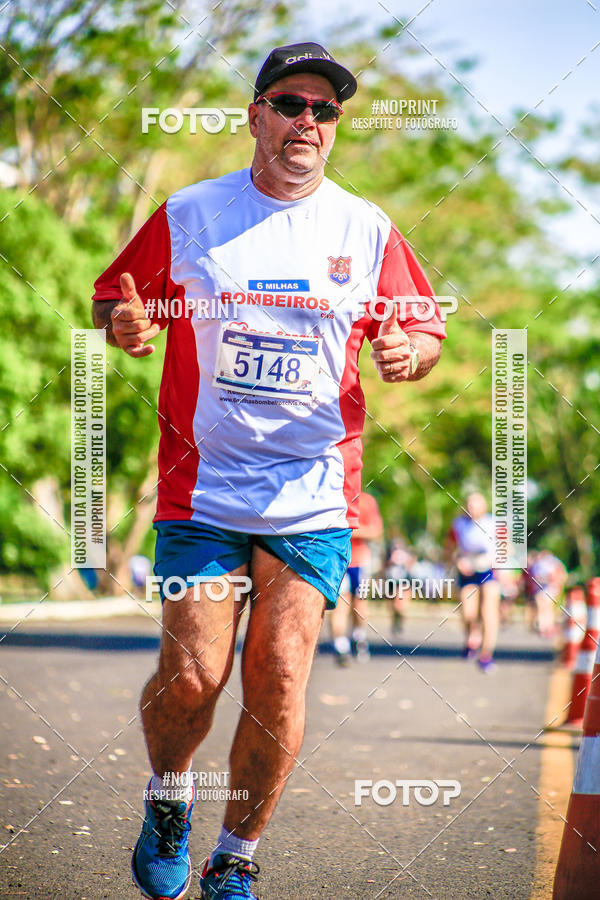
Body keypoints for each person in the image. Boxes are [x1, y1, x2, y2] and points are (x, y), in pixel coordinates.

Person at [92, 40, 446, 900]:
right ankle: (170, 797)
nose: (309, 123)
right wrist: (127, 325)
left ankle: (235, 857)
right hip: (200, 486)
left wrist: (410, 351)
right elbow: (115, 298)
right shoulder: (190, 213)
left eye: (325, 111)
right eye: (292, 104)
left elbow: (424, 328)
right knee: (193, 677)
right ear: (255, 115)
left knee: (279, 675)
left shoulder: (365, 229)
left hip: (314, 490)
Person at [446, 492, 499, 672]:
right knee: (468, 612)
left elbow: (506, 548)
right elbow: (449, 549)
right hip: (467, 570)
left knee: (487, 612)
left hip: (488, 570)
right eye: (468, 505)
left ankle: (486, 655)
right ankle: (472, 635)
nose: (471, 508)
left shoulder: (493, 523)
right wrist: (457, 561)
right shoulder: (459, 525)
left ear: (484, 507)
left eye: (475, 505)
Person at [331, 490, 383, 664]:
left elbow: (376, 531)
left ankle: (358, 636)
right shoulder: (331, 496)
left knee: (359, 604)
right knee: (341, 603)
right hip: (337, 561)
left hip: (360, 562)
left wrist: (348, 531)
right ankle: (340, 645)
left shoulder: (366, 501)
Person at [528, 549, 567, 637]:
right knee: (545, 609)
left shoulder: (541, 564)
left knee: (544, 609)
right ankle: (546, 627)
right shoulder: (550, 563)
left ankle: (545, 628)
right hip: (545, 588)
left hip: (545, 588)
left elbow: (535, 577)